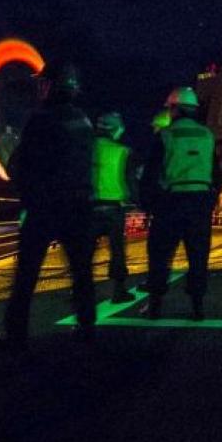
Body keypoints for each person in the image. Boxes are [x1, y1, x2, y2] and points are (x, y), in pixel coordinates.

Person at [0, 61, 96, 352]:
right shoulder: (83, 120)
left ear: (50, 86)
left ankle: (15, 335)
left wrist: (26, 194)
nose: (39, 88)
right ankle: (87, 328)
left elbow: (21, 165)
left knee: (26, 275)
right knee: (82, 272)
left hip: (45, 206)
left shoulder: (41, 120)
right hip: (80, 205)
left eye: (43, 83)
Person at [139, 86, 220, 321]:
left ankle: (155, 305)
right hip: (199, 203)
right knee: (198, 257)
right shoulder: (207, 136)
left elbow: (151, 175)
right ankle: (197, 307)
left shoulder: (166, 135)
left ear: (174, 109)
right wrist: (210, 200)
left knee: (160, 256)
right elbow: (216, 174)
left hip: (171, 202)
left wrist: (150, 205)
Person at [90, 112, 137, 303]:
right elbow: (130, 181)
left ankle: (80, 290)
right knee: (117, 251)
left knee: (86, 251)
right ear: (116, 129)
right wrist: (136, 200)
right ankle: (119, 291)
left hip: (88, 208)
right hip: (114, 208)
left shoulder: (86, 148)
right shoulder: (123, 151)